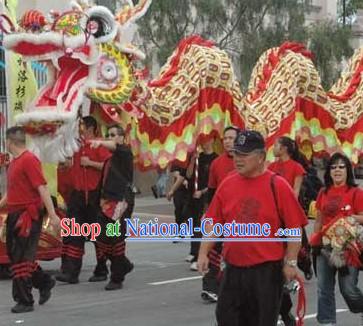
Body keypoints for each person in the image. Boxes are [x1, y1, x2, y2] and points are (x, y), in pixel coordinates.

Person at [198, 130, 307, 326]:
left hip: (266, 273)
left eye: (244, 154)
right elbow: (214, 222)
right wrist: (203, 252)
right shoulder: (228, 183)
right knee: (225, 317)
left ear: (261, 157)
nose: (238, 159)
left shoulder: (278, 185)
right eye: (237, 154)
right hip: (233, 270)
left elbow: (294, 228)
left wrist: (290, 262)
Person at [0, 126, 58, 313]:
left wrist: (53, 215)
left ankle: (25, 300)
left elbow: (42, 188)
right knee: (16, 256)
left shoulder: (29, 160)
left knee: (21, 258)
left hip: (27, 215)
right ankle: (44, 282)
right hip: (14, 214)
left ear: (9, 141)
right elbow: (11, 193)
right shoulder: (15, 163)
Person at [56, 116, 111, 284]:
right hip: (78, 195)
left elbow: (110, 166)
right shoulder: (76, 146)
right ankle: (71, 272)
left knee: (97, 234)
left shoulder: (100, 144)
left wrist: (91, 163)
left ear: (91, 128)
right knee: (73, 233)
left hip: (95, 195)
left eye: (82, 127)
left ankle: (102, 268)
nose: (79, 130)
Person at [313, 152, 363, 325]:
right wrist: (315, 241)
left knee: (348, 289)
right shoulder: (323, 192)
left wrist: (349, 219)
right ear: (329, 172)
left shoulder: (356, 192)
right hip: (325, 248)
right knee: (323, 289)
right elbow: (318, 219)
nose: (337, 170)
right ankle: (327, 322)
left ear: (348, 170)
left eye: (341, 166)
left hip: (348, 249)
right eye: (333, 167)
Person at [88, 124, 134, 290]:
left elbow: (115, 146)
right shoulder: (109, 160)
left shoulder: (125, 153)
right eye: (108, 134)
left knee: (115, 238)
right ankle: (123, 264)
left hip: (120, 201)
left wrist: (99, 141)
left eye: (113, 135)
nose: (110, 137)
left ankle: (117, 277)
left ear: (122, 138)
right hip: (107, 202)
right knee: (100, 237)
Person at [269, 136, 307, 326]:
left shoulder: (296, 168)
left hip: (287, 219)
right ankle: (282, 311)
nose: (273, 148)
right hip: (272, 222)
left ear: (284, 148)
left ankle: (282, 310)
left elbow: (295, 193)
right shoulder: (271, 168)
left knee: (280, 267)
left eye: (276, 145)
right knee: (273, 269)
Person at [201, 126, 239, 302]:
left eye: (232, 138)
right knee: (213, 250)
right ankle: (210, 287)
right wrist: (207, 213)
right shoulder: (216, 163)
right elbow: (211, 190)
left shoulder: (246, 161)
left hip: (242, 217)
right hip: (220, 214)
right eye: (225, 138)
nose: (228, 141)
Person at [182, 139, 218, 270]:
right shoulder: (198, 158)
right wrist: (192, 160)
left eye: (207, 139)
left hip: (205, 197)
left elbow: (215, 182)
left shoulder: (216, 159)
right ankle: (194, 251)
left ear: (212, 141)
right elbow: (189, 174)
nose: (205, 142)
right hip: (193, 197)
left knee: (201, 225)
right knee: (193, 224)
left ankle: (200, 256)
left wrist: (202, 192)